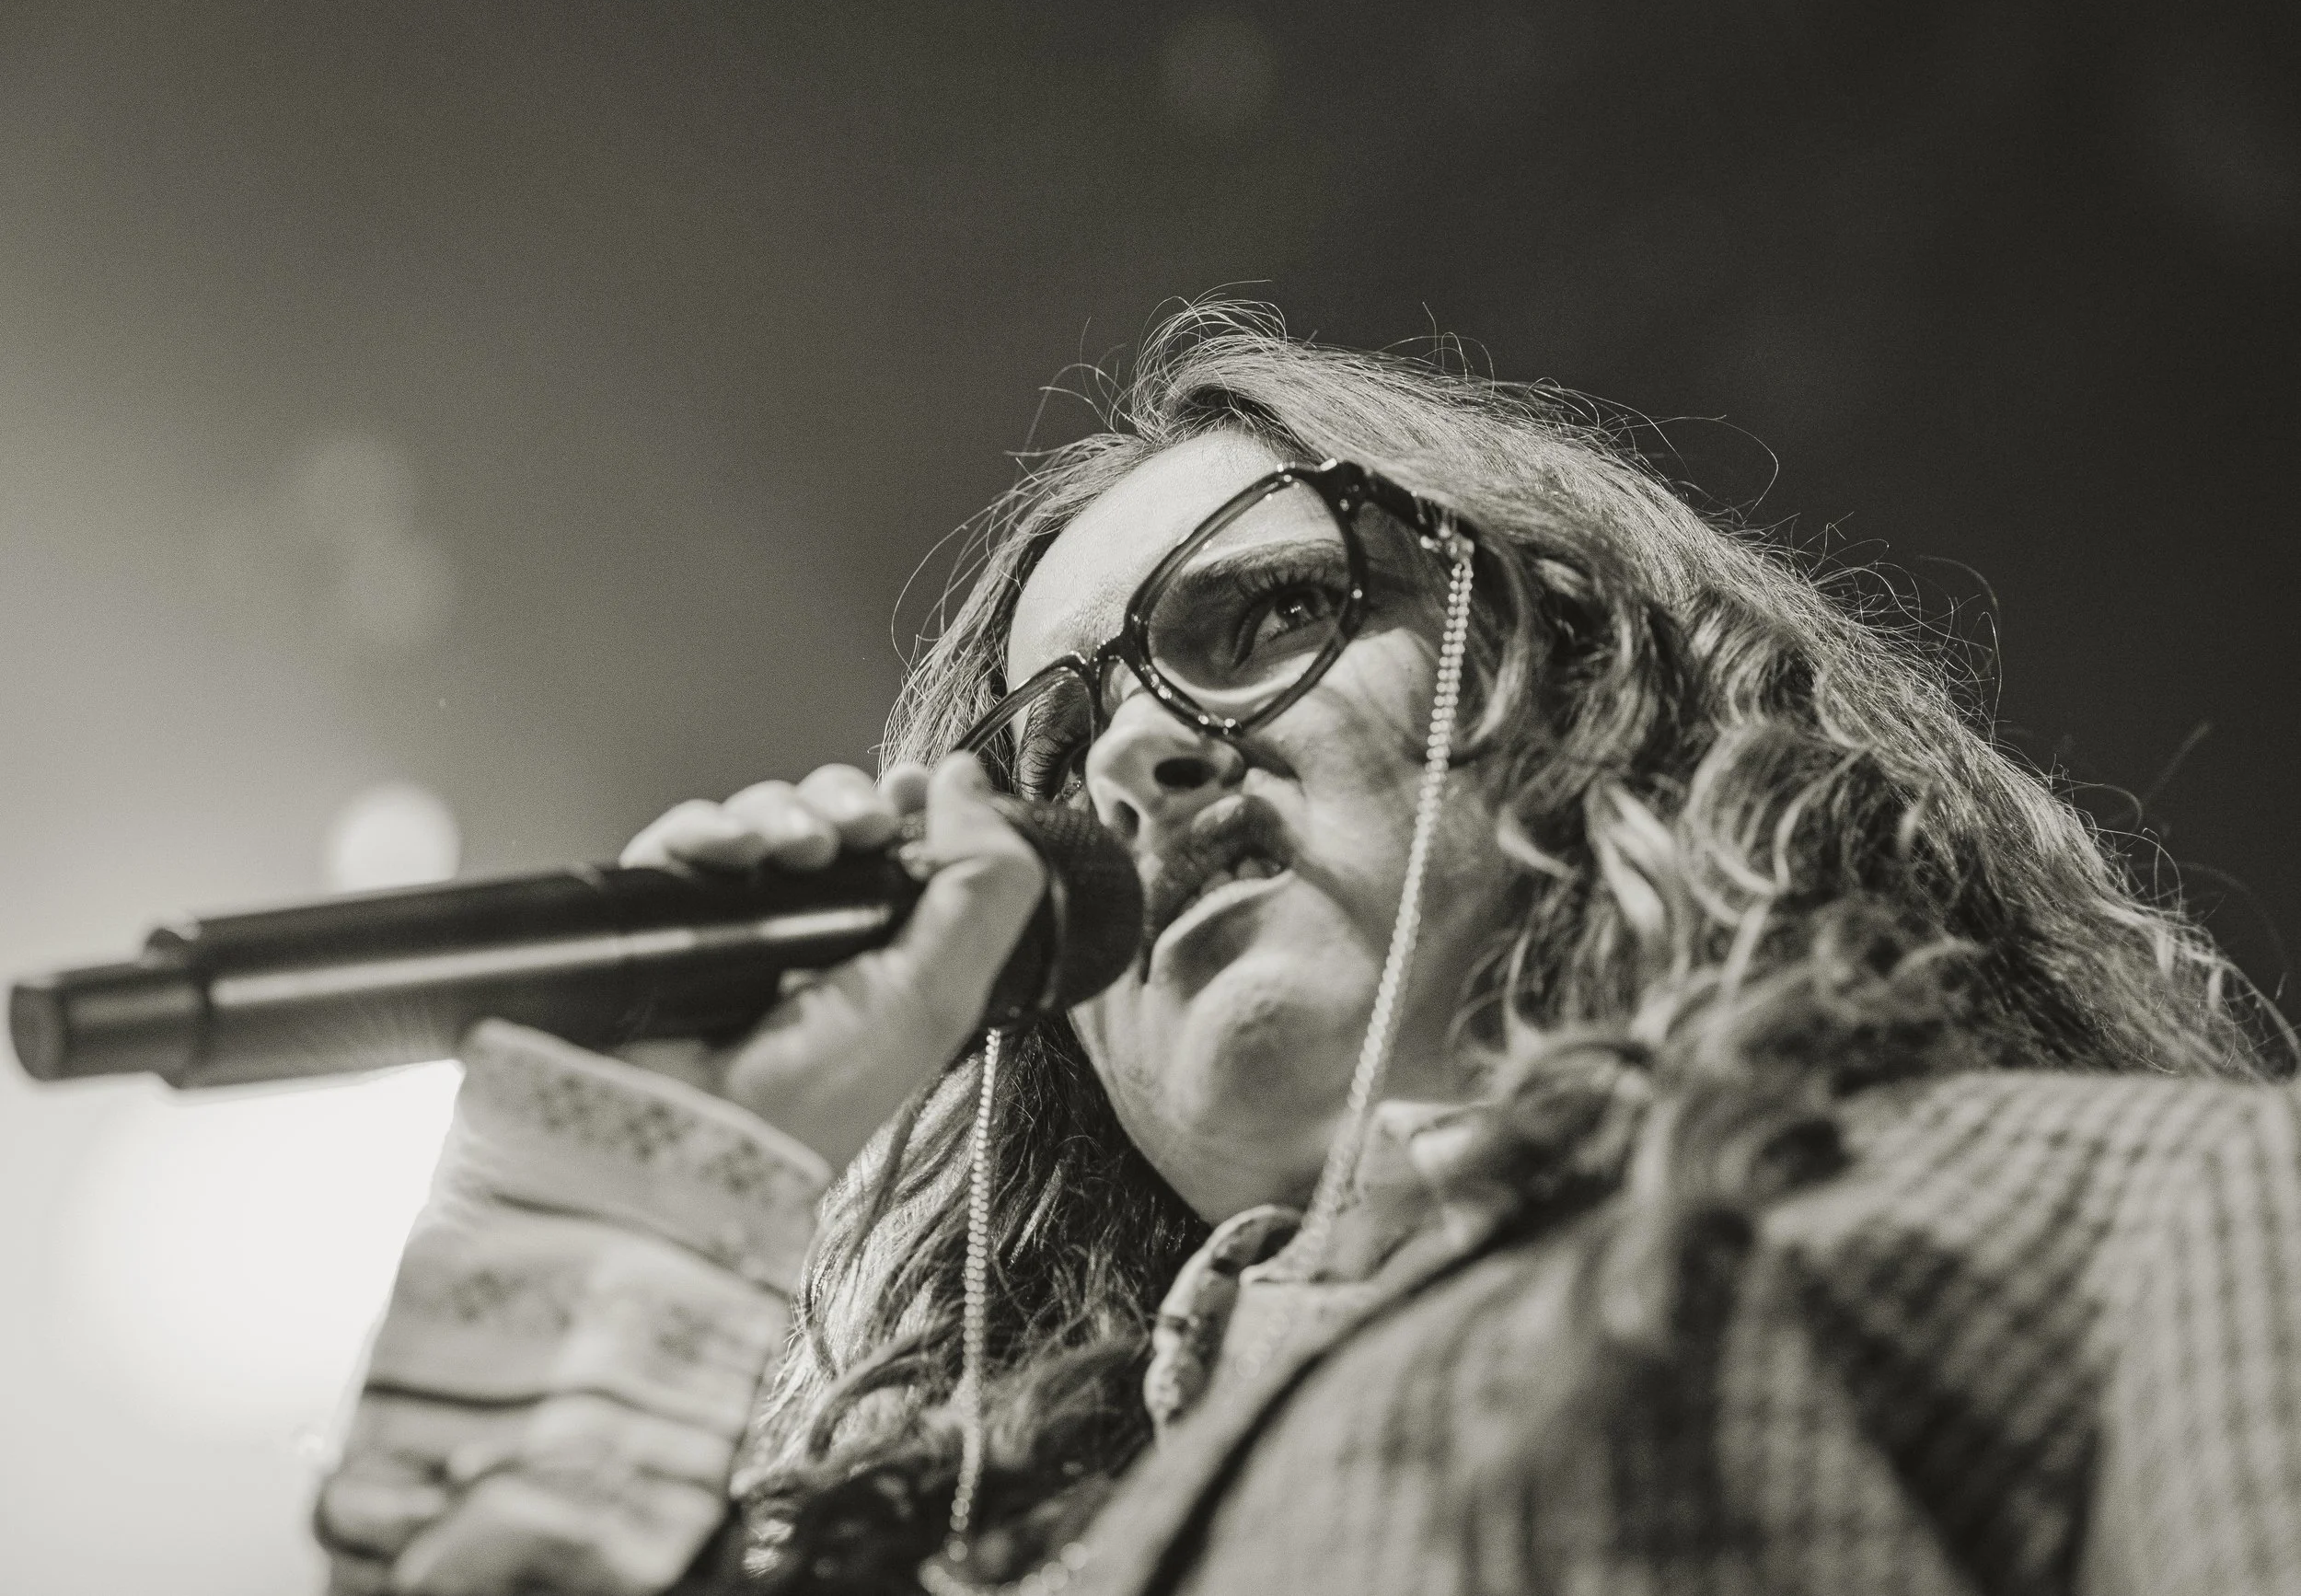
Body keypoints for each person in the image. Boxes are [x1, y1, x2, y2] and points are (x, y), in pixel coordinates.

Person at [315, 305, 2295, 1596]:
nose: (1134, 759)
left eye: (1256, 618)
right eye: (1046, 755)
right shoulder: (947, 1552)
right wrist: (653, 1174)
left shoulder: (2106, 1218)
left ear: (1575, 667)